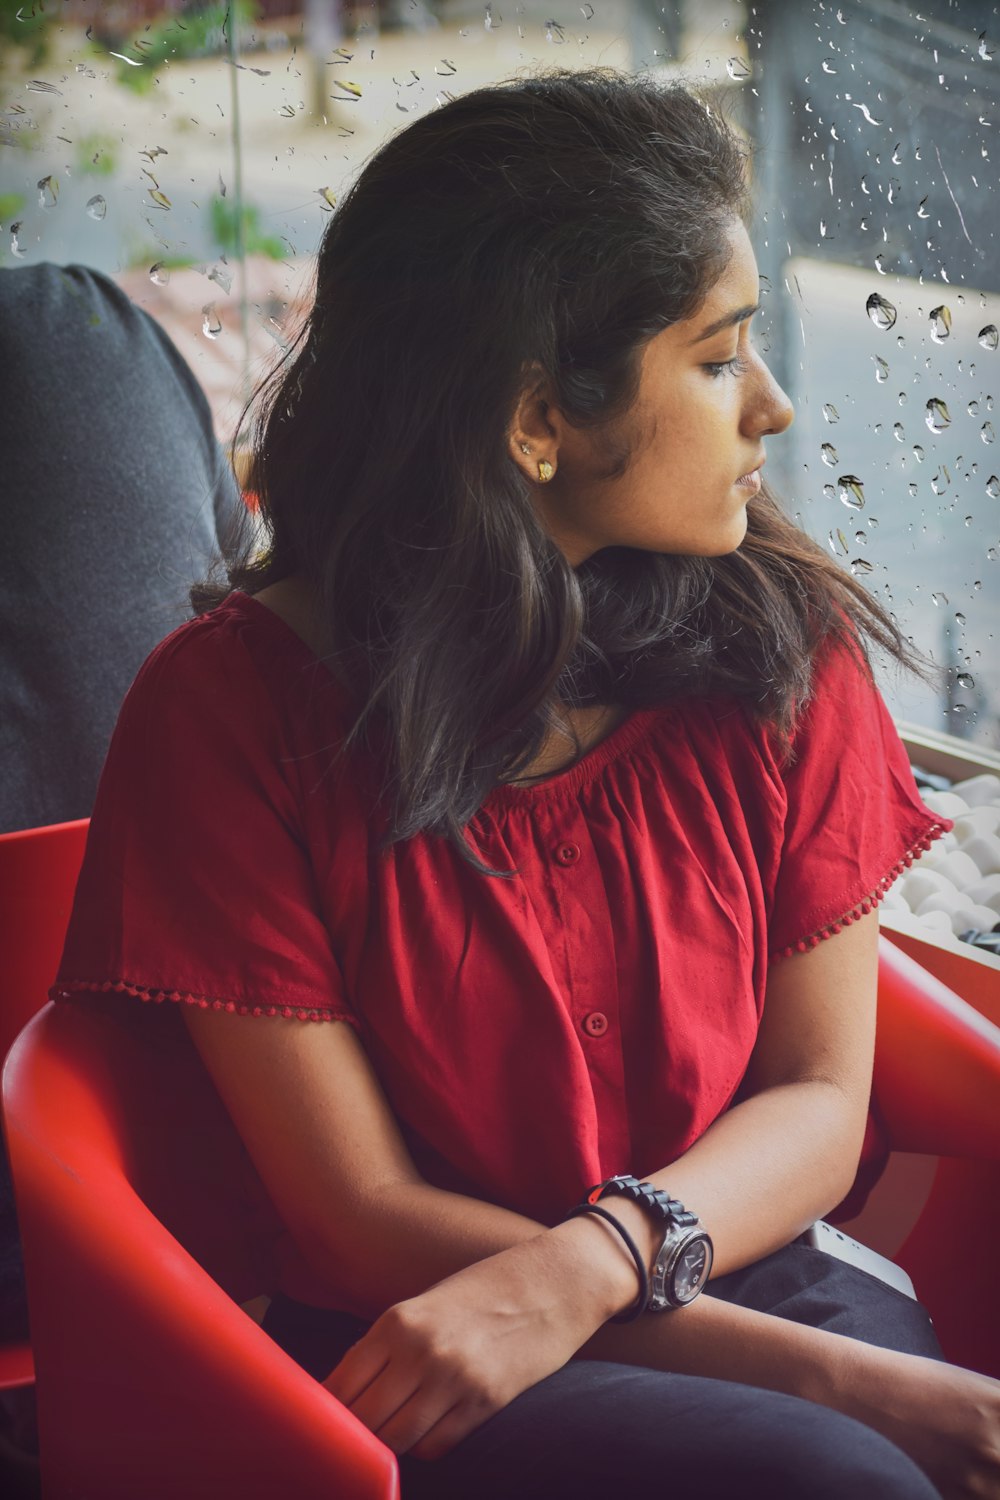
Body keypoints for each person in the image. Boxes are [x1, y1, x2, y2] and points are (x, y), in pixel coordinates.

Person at [53, 70, 1000, 1499]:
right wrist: (834, 1375)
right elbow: (361, 1218)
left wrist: (603, 1258)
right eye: (718, 356)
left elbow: (817, 1096)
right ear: (540, 417)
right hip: (426, 1340)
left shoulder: (771, 640)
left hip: (744, 1256)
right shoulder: (231, 714)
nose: (780, 407)